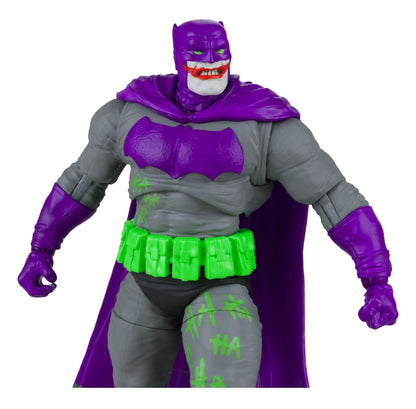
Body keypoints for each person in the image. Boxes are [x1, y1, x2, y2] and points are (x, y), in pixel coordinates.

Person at [18, 19, 398, 388]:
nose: (211, 61)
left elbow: (334, 196)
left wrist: (376, 279)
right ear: (177, 55)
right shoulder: (128, 112)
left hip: (218, 285)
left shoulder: (265, 124)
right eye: (198, 53)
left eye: (220, 52)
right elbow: (82, 183)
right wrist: (41, 248)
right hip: (141, 280)